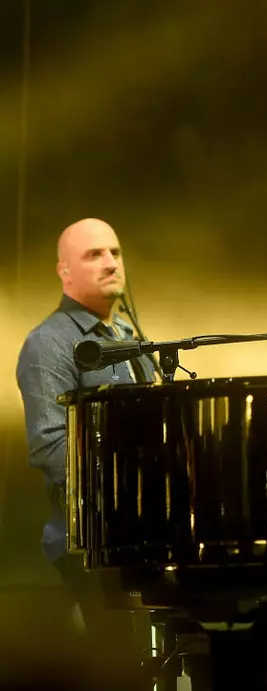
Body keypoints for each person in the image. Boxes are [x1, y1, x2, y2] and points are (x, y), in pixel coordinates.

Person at [15, 218, 156, 647]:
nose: (111, 262)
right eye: (94, 254)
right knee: (119, 673)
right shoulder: (49, 343)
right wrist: (127, 488)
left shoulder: (131, 338)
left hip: (142, 540)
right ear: (65, 272)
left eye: (115, 252)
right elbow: (51, 446)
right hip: (91, 548)